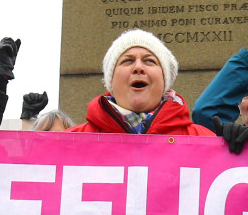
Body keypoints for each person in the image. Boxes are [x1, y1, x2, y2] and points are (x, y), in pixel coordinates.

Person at [68, 29, 214, 138]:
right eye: (128, 61)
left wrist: (229, 154)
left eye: (149, 61)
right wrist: (44, 147)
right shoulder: (69, 142)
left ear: (164, 82)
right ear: (110, 82)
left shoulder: (203, 140)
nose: (138, 67)